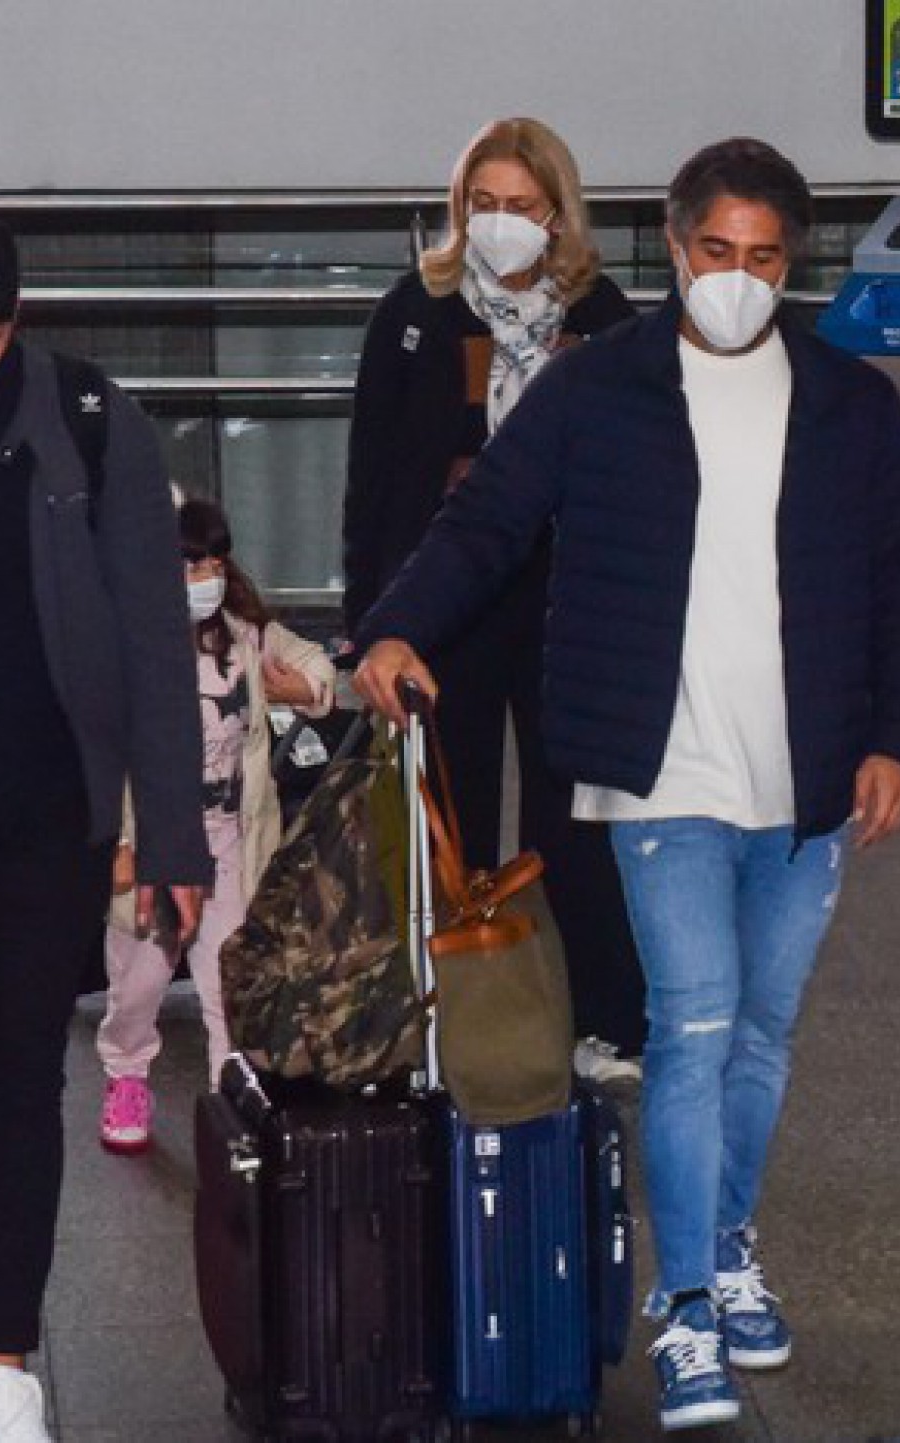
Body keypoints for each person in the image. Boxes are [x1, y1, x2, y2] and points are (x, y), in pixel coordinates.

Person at [353, 138, 900, 1433]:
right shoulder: (596, 390)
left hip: (805, 776)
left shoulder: (849, 406)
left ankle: (726, 1238)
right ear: (675, 250)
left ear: (791, 266)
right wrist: (393, 626)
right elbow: (487, 521)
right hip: (655, 768)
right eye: (716, 251)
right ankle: (684, 1304)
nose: (737, 277)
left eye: (765, 259)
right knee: (689, 1023)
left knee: (761, 1033)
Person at [0, 202, 209, 1443]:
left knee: (24, 1081)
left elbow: (156, 638)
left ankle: (5, 1366)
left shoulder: (93, 423)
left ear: (17, 319)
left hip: (45, 816)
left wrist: (179, 847)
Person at [341, 117, 648, 1084]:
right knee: (451, 811)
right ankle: (449, 1017)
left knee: (576, 823)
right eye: (484, 204)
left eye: (520, 206)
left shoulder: (605, 320)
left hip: (569, 604)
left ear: (558, 213)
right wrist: (372, 618)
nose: (500, 222)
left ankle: (605, 1016)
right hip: (449, 606)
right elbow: (371, 480)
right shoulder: (414, 313)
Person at [97, 496, 337, 1152]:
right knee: (140, 980)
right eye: (188, 563)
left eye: (213, 563)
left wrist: (300, 689)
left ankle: (232, 1109)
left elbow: (319, 667)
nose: (203, 576)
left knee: (228, 982)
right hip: (147, 846)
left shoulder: (244, 636)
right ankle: (125, 1068)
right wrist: (113, 843)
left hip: (227, 839)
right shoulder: (121, 642)